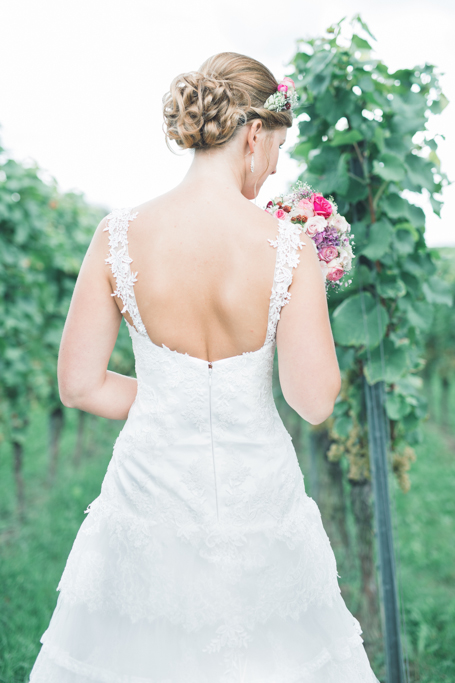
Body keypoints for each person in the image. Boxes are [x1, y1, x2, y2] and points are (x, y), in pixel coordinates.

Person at [29, 52, 379, 682]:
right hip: (259, 495)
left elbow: (79, 385)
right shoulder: (290, 249)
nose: (274, 171)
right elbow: (313, 400)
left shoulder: (116, 235)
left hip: (148, 492)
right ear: (252, 134)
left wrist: (173, 396)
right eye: (275, 150)